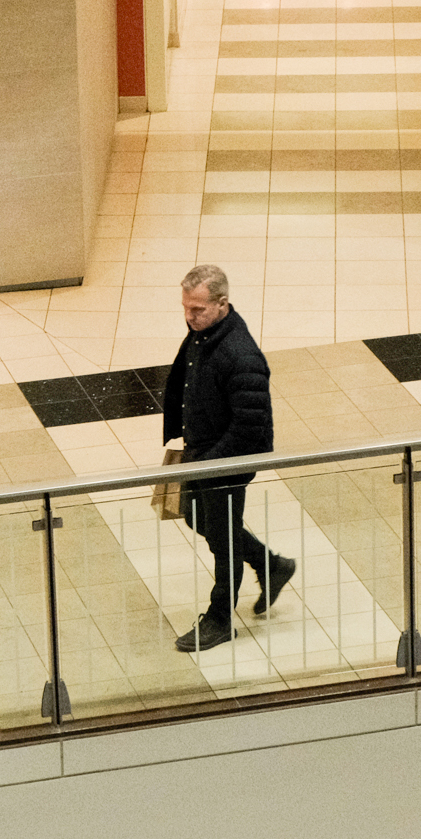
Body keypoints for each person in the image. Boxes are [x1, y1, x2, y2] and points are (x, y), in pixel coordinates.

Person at [163, 265, 294, 653]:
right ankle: (271, 565)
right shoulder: (204, 335)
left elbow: (250, 429)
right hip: (203, 453)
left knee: (223, 541)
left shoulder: (240, 354)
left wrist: (210, 466)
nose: (190, 316)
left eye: (198, 309)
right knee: (197, 516)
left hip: (226, 461)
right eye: (186, 308)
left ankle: (220, 619)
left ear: (222, 304)